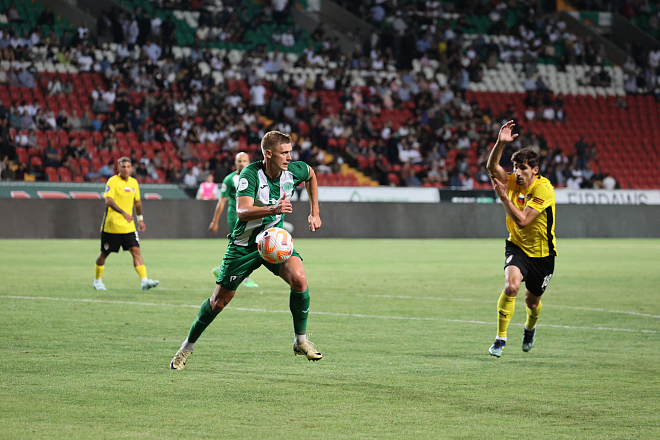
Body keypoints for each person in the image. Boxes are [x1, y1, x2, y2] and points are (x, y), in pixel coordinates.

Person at [170, 131, 323, 370]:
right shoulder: (250, 174)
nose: (289, 157)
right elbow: (242, 211)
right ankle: (185, 348)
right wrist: (273, 209)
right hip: (244, 246)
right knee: (218, 302)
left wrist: (315, 212)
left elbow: (311, 175)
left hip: (274, 241)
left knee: (299, 279)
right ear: (268, 153)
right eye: (284, 153)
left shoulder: (294, 171)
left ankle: (300, 341)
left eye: (290, 152)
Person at [485, 120, 557, 358]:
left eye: (523, 168)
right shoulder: (512, 181)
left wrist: (504, 198)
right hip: (517, 246)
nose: (517, 172)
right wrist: (500, 143)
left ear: (534, 170)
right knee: (511, 287)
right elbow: (491, 166)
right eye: (515, 167)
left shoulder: (543, 189)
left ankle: (529, 329)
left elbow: (524, 221)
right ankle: (500, 338)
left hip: (543, 255)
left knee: (532, 302)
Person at [93, 157, 159, 291]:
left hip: (128, 227)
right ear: (118, 168)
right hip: (112, 226)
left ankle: (144, 281)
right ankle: (97, 281)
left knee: (136, 251)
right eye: (123, 167)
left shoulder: (134, 182)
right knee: (104, 254)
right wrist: (123, 213)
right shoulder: (113, 181)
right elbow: (108, 200)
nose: (126, 169)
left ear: (131, 168)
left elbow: (137, 202)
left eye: (128, 167)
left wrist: (140, 219)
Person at [208, 152, 259, 288]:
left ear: (249, 162)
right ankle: (246, 278)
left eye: (244, 161)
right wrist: (215, 221)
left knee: (247, 247)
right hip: (236, 217)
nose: (242, 163)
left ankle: (221, 270)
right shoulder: (229, 179)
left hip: (251, 216)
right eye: (239, 161)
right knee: (244, 247)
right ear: (235, 163)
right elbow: (222, 201)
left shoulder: (255, 176)